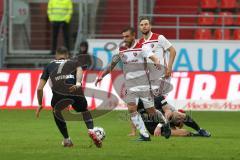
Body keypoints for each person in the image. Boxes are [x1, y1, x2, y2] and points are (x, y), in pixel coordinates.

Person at [95, 27, 171, 141]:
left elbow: (154, 57)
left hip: (144, 84)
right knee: (131, 109)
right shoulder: (121, 50)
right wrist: (101, 75)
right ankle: (144, 135)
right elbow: (112, 64)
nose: (124, 39)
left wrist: (156, 62)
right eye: (123, 37)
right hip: (130, 85)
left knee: (151, 112)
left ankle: (165, 123)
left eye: (127, 36)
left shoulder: (142, 47)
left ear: (133, 35)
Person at [35, 46, 102, 148]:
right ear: (67, 55)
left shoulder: (49, 65)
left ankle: (67, 140)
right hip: (74, 89)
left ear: (56, 55)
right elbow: (80, 70)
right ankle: (91, 130)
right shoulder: (73, 62)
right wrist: (78, 83)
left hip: (59, 93)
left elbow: (39, 89)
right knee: (84, 110)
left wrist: (40, 104)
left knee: (57, 112)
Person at [129, 96, 211, 137]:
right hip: (153, 128)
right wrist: (133, 132)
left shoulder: (158, 97)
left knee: (179, 115)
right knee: (181, 133)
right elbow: (133, 116)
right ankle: (194, 135)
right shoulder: (138, 101)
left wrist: (160, 124)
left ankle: (200, 130)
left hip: (164, 121)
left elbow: (168, 111)